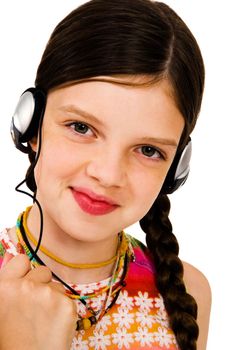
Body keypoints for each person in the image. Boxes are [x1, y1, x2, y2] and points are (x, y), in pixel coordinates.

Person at [0, 0, 211, 349]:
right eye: (81, 127)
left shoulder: (190, 292)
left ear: (176, 168)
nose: (108, 174)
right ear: (32, 126)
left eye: (148, 150)